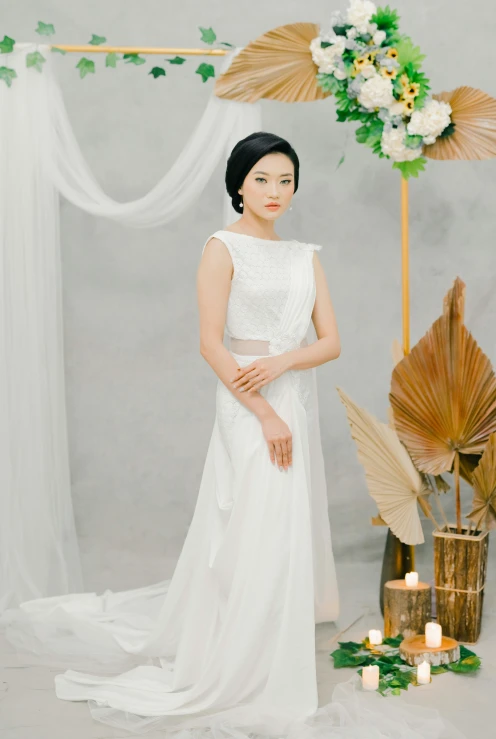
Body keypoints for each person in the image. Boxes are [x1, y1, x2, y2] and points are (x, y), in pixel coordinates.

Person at [1, 132, 463, 739]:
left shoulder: (305, 255)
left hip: (288, 396)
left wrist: (282, 367)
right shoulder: (221, 248)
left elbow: (331, 342)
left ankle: (270, 641)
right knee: (246, 515)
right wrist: (263, 411)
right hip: (245, 404)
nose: (274, 191)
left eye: (286, 181)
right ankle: (232, 650)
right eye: (262, 179)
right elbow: (210, 343)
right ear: (239, 183)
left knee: (280, 523)